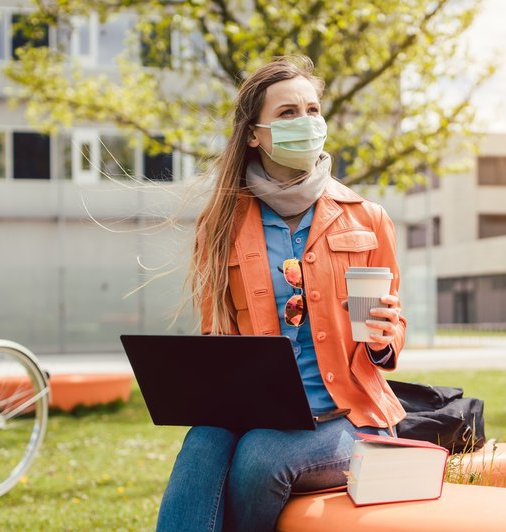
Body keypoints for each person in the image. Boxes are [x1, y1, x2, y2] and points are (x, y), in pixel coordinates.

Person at [156, 56, 407, 531]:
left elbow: (392, 335)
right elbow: (217, 334)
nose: (307, 122)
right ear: (254, 133)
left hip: (350, 418)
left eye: (313, 110)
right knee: (202, 443)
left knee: (260, 456)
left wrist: (384, 338)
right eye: (288, 113)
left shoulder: (367, 217)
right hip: (257, 413)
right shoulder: (221, 226)